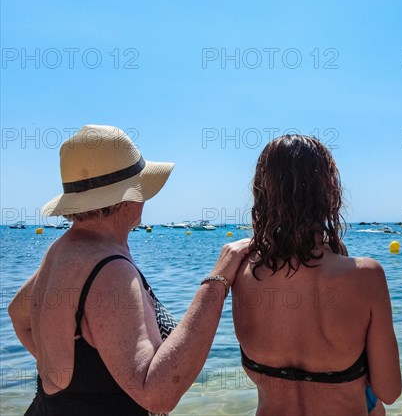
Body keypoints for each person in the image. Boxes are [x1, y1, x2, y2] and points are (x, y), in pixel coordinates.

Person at [8, 125, 249, 416]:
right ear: (125, 198)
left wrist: (65, 382)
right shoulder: (110, 271)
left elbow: (18, 315)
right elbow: (157, 395)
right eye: (141, 188)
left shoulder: (61, 251)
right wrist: (217, 281)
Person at [232, 135, 402, 415]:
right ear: (330, 192)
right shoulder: (366, 276)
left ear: (262, 193)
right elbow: (389, 391)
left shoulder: (240, 272)